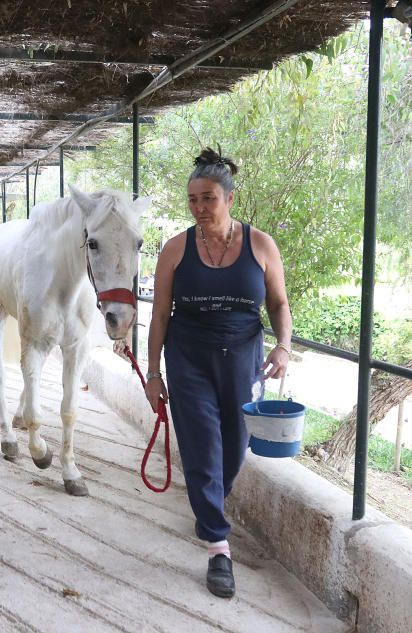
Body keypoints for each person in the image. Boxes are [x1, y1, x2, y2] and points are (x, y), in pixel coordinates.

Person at [144, 148, 292, 598]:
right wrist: (153, 373)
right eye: (192, 200)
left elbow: (279, 303)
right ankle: (218, 546)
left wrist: (284, 344)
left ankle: (210, 507)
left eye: (207, 198)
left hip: (244, 359)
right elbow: (160, 317)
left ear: (229, 197)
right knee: (203, 445)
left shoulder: (261, 244)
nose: (199, 208)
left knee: (235, 445)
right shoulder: (175, 249)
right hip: (188, 357)